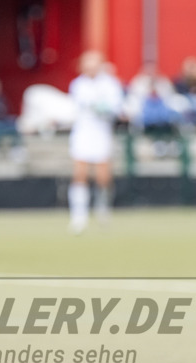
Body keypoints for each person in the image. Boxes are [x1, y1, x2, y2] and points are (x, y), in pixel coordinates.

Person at [67, 51, 123, 234]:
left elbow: (116, 108)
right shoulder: (77, 84)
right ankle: (79, 216)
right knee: (80, 173)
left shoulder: (110, 83)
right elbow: (76, 106)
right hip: (83, 132)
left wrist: (105, 107)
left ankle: (103, 209)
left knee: (102, 177)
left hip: (101, 133)